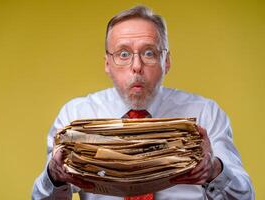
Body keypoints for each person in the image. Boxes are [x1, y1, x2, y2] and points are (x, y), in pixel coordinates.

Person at [32, 5, 254, 200]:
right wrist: (54, 176)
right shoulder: (75, 115)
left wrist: (214, 170)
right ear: (107, 64)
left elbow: (244, 196)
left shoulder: (206, 113)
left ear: (165, 62)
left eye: (149, 52)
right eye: (123, 54)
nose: (136, 65)